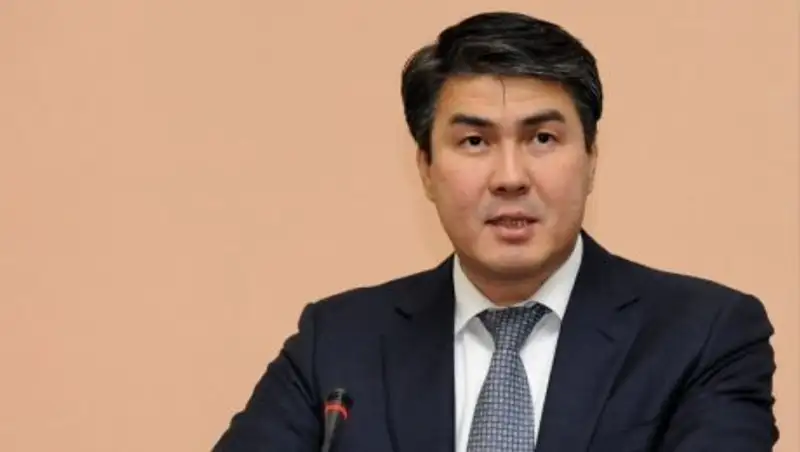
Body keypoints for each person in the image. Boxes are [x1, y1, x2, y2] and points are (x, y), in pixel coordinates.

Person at [212, 11, 779, 452]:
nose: (510, 177)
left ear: (591, 159)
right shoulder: (337, 343)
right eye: (474, 142)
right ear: (426, 169)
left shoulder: (704, 336)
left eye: (542, 139)